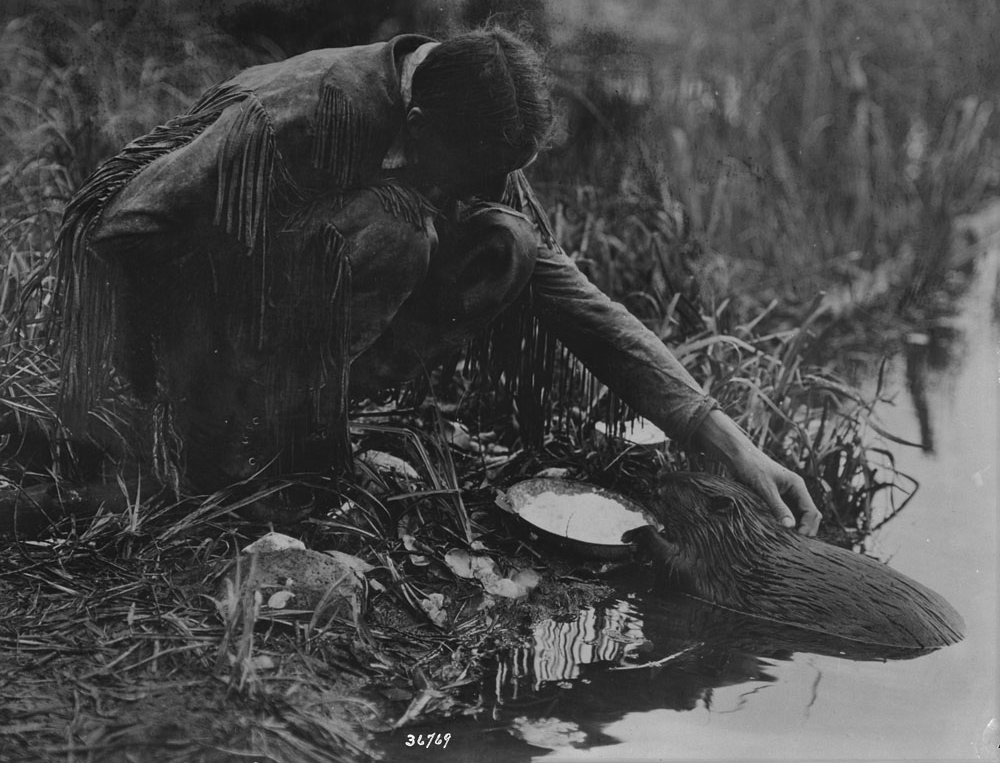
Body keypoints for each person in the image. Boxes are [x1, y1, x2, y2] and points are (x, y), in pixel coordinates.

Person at [55, 28, 821, 536]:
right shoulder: (304, 112)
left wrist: (731, 444)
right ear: (419, 128)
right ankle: (242, 454)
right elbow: (130, 225)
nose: (482, 188)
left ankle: (304, 435)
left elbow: (584, 308)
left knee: (506, 242)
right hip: (188, 294)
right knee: (398, 229)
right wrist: (150, 389)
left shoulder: (464, 124)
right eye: (473, 173)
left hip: (268, 305)